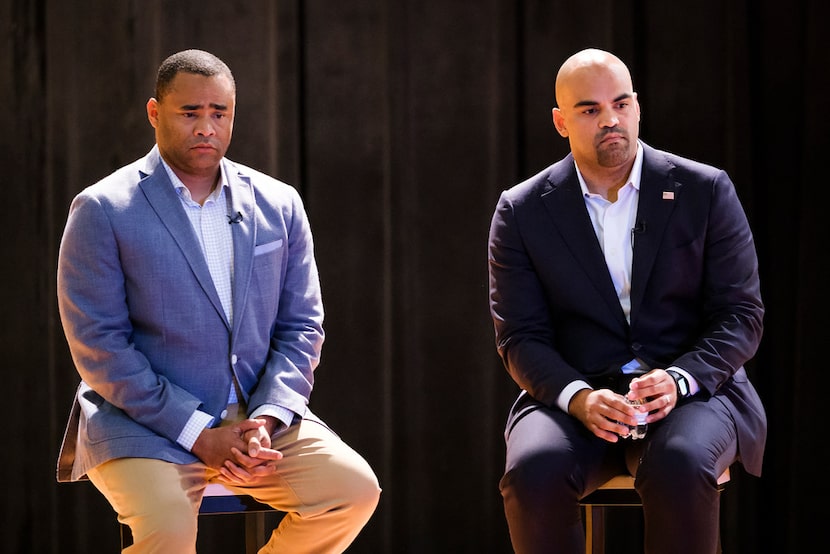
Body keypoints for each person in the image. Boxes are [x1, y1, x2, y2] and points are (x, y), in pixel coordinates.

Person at [55, 49, 380, 553]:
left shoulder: (279, 202)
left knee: (353, 491)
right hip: (143, 423)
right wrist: (199, 432)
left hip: (256, 421)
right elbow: (100, 348)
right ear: (154, 112)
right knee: (168, 527)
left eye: (219, 113)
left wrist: (266, 421)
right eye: (190, 113)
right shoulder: (102, 208)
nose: (206, 126)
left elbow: (301, 327)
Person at [487, 48, 766, 553]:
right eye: (590, 110)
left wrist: (680, 378)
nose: (610, 120)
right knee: (532, 472)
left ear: (637, 106)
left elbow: (741, 314)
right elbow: (520, 336)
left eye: (620, 103)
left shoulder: (704, 190)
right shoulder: (522, 210)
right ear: (560, 121)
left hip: (694, 389)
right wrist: (580, 397)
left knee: (679, 463)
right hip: (576, 395)